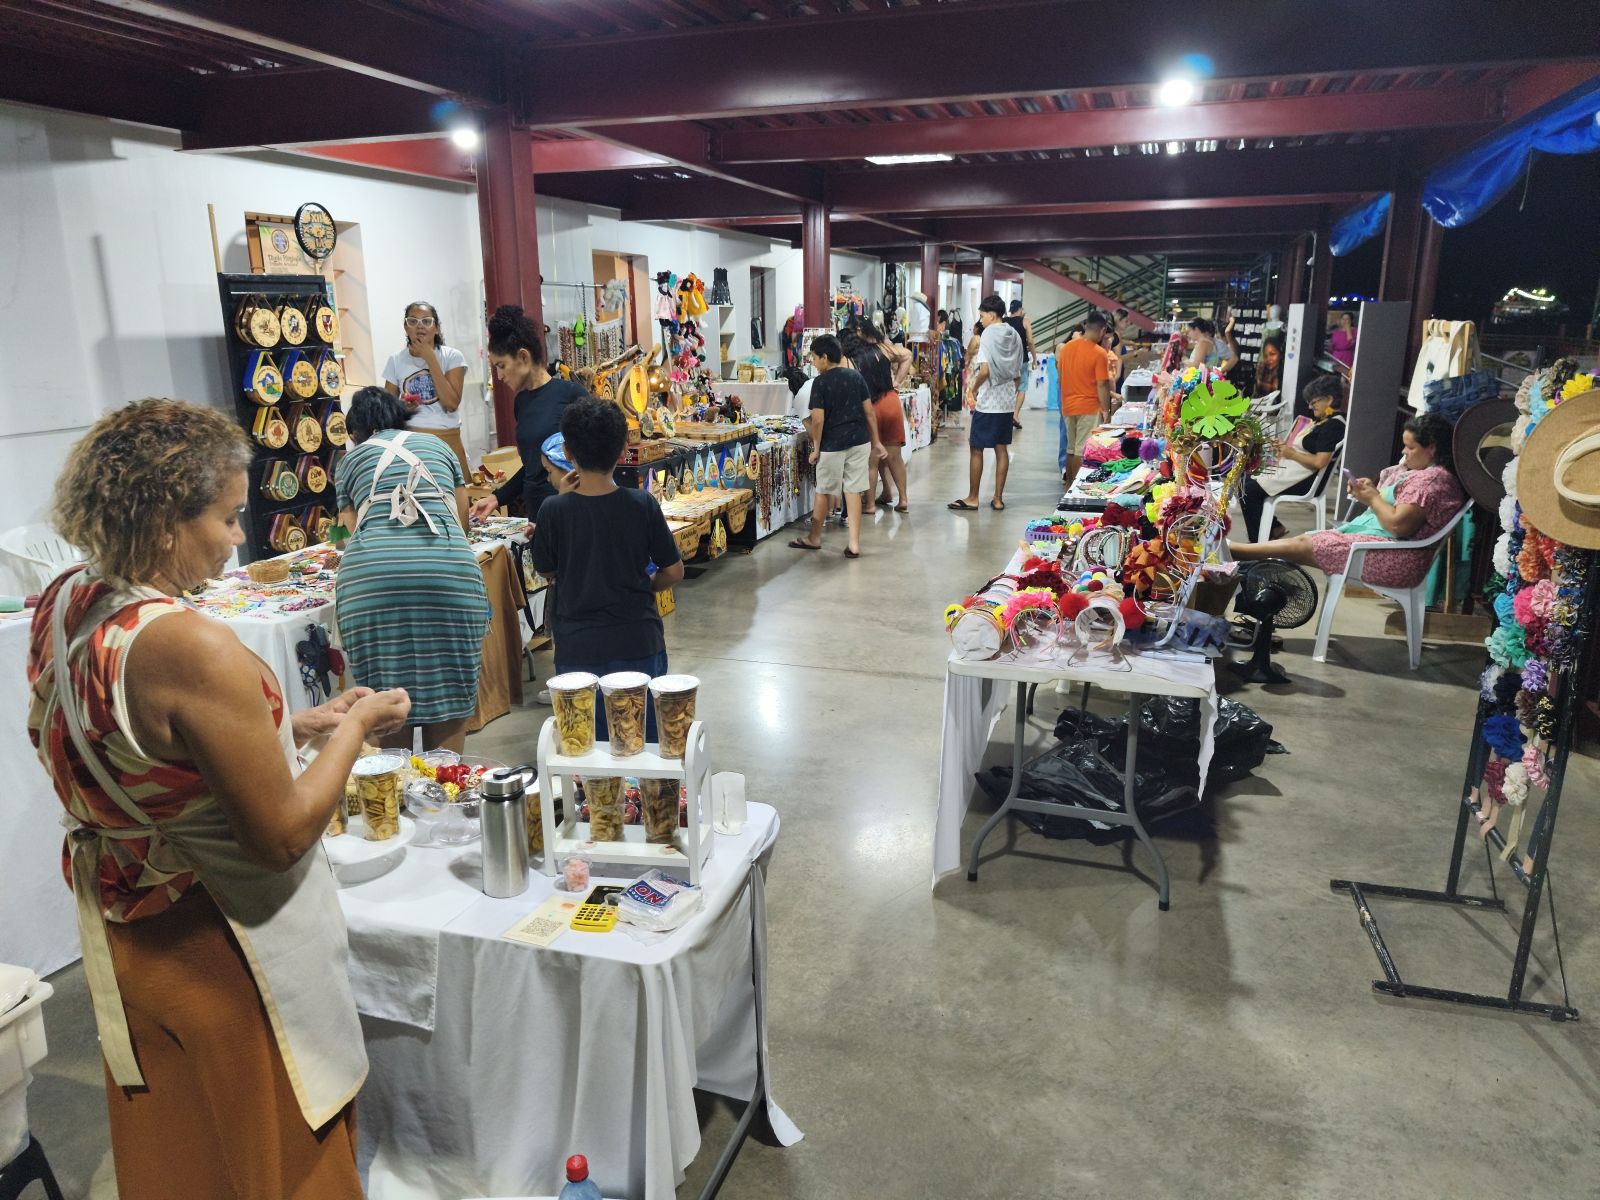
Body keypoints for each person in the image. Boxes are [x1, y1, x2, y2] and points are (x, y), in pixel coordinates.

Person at [29, 398, 411, 1198]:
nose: (239, 538)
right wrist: (355, 728)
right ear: (166, 518)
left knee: (188, 1154)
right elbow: (279, 836)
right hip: (220, 942)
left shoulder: (68, 602)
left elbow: (138, 749)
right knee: (274, 1158)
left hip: (132, 934)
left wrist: (289, 728)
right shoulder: (187, 645)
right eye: (229, 517)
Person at [335, 387, 488, 754]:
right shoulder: (439, 446)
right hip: (448, 575)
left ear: (358, 431)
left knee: (384, 702)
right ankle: (445, 780)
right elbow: (461, 521)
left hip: (371, 584)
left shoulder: (350, 462)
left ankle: (394, 782)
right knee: (451, 693)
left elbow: (347, 533)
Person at [530, 399, 684, 741]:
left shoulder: (553, 510)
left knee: (585, 746)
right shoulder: (642, 504)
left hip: (578, 646)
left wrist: (561, 497)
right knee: (642, 741)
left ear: (567, 452)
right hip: (638, 639)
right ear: (623, 451)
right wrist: (642, 584)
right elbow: (674, 571)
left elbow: (546, 571)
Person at [1231, 412, 1464, 588]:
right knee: (1304, 542)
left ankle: (1236, 552)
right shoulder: (1425, 475)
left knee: (1304, 545)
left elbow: (1398, 525)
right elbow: (1396, 508)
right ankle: (1241, 558)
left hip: (1395, 559)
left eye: (1410, 447)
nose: (1404, 452)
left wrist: (1372, 497)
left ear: (1432, 448)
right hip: (1383, 548)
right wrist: (1371, 491)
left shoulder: (1431, 481)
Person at [469, 304, 588, 527]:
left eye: (501, 365)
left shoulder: (572, 395)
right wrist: (497, 498)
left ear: (523, 357)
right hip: (536, 519)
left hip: (570, 516)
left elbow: (594, 465)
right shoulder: (521, 402)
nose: (499, 376)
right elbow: (532, 468)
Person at [790, 334, 884, 557]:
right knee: (853, 491)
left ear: (824, 357)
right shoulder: (855, 376)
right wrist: (877, 442)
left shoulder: (820, 383)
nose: (814, 363)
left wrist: (816, 448)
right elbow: (869, 413)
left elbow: (818, 420)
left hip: (832, 444)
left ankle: (814, 538)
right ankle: (854, 544)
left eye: (814, 358)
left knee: (824, 490)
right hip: (859, 441)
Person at [1236, 373, 1346, 540]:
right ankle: (1273, 528)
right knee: (1246, 480)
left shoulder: (1333, 426)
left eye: (1314, 402)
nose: (1310, 406)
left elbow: (1320, 461)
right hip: (1298, 472)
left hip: (1308, 480)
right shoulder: (1324, 421)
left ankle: (1259, 541)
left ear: (1329, 399)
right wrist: (1285, 449)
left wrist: (1291, 453)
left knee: (1248, 490)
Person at [950, 295, 1024, 512]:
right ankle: (998, 499)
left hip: (989, 402)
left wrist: (972, 389)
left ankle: (973, 497)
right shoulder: (1013, 334)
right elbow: (1018, 374)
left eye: (982, 316)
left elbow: (984, 371)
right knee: (1001, 449)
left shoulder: (988, 334)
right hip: (1007, 401)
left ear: (992, 315)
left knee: (976, 448)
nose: (980, 320)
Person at [382, 300, 470, 478]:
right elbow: (387, 412)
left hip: (447, 438)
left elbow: (451, 404)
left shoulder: (452, 356)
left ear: (437, 328)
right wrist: (402, 407)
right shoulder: (396, 360)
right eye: (413, 321)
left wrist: (430, 358)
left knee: (457, 492)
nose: (419, 326)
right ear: (405, 327)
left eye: (426, 321)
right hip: (410, 440)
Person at [844, 318, 912, 513]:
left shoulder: (850, 358)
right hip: (890, 401)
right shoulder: (883, 348)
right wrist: (897, 382)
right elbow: (907, 355)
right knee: (894, 457)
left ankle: (870, 504)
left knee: (872, 459)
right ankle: (903, 499)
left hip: (869, 406)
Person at [1056, 311, 1114, 484]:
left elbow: (1061, 377)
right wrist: (1106, 410)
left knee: (1071, 449)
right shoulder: (1099, 353)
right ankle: (1076, 488)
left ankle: (1069, 486)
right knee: (1082, 451)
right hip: (1088, 407)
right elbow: (1102, 385)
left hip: (1068, 405)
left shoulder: (1066, 348)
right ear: (1102, 331)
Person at [1005, 309, 1035, 429]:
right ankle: (1015, 415)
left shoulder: (1004, 321)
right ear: (1020, 310)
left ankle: (1005, 413)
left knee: (1008, 387)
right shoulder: (1025, 320)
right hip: (1022, 359)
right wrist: (1035, 358)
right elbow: (1030, 341)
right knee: (1022, 387)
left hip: (1007, 360)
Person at [1255, 334, 1285, 398]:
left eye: (1272, 354)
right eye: (1265, 356)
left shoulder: (1285, 371)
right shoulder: (1262, 368)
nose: (1268, 359)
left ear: (1280, 354)